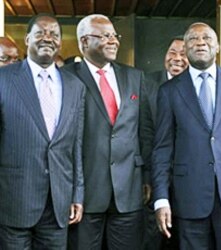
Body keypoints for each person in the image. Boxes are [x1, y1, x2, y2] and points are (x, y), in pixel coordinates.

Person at [152, 22, 221, 250]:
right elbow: (162, 148)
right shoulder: (169, 90)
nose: (200, 42)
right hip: (189, 201)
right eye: (193, 39)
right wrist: (161, 199)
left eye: (206, 38)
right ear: (185, 49)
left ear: (217, 47)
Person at [66, 14, 152, 250]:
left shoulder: (135, 77)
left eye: (115, 35)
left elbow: (144, 132)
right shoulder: (66, 77)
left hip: (129, 191)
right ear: (84, 42)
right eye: (105, 36)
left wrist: (146, 177)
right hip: (84, 196)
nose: (113, 41)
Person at [0, 13, 85, 249]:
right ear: (27, 39)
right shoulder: (3, 79)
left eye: (54, 34)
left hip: (58, 204)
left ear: (60, 42)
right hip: (13, 201)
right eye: (40, 32)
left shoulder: (75, 86)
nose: (48, 38)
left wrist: (77, 193)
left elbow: (75, 144)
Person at [143, 36, 188, 250]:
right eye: (172, 52)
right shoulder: (146, 83)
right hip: (153, 179)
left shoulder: (200, 86)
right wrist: (145, 176)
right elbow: (141, 132)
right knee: (151, 239)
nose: (177, 58)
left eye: (183, 53)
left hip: (189, 181)